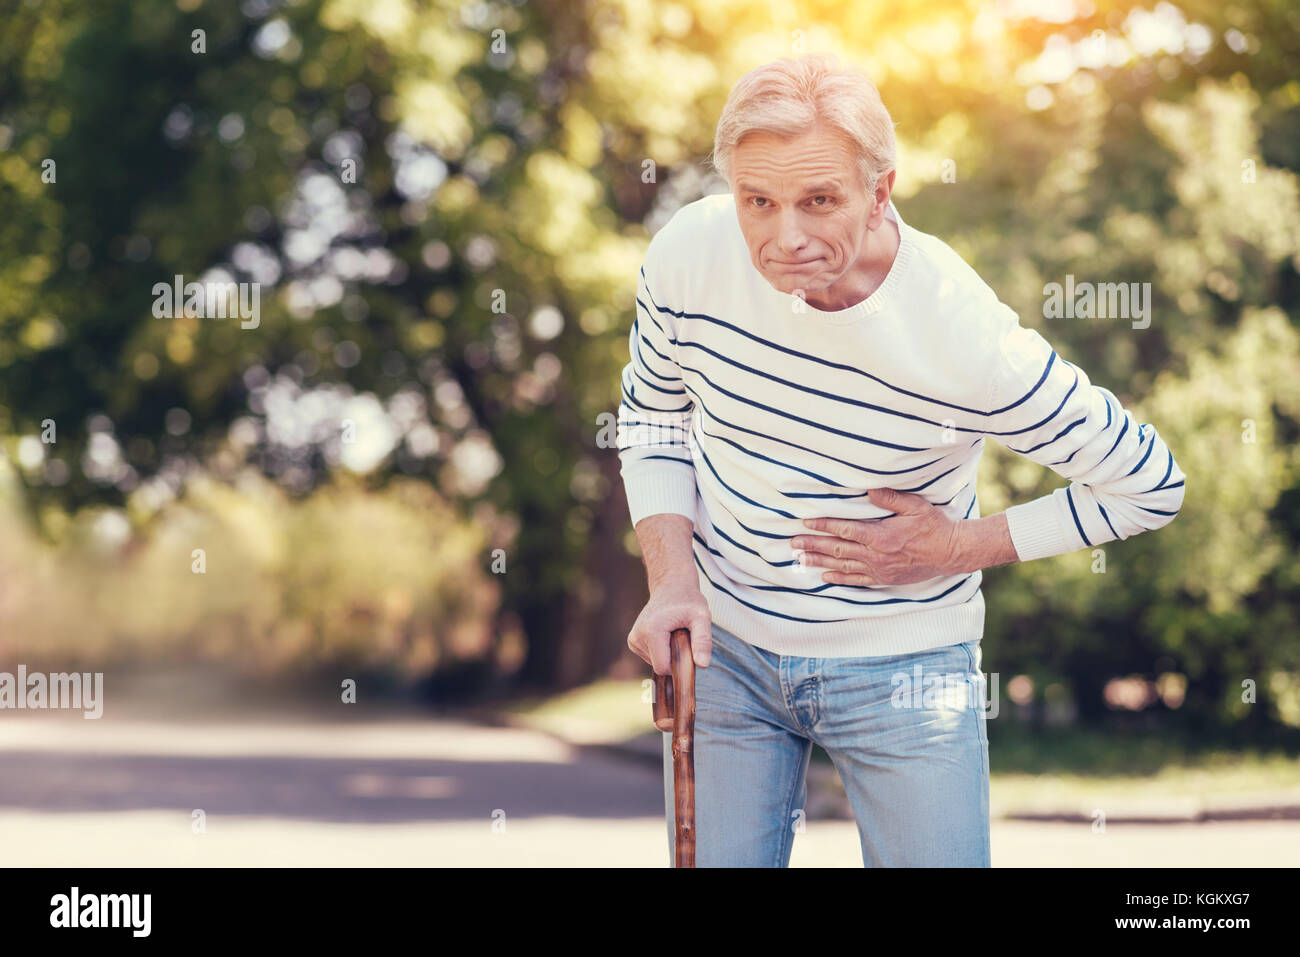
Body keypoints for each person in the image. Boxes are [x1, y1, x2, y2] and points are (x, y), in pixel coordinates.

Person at [616, 53, 1186, 867]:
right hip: (728, 654)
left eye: (820, 200)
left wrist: (960, 545)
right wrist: (672, 577)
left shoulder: (964, 337)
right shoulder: (687, 256)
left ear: (881, 190)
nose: (786, 238)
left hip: (906, 666)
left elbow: (1149, 484)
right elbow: (653, 419)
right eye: (758, 202)